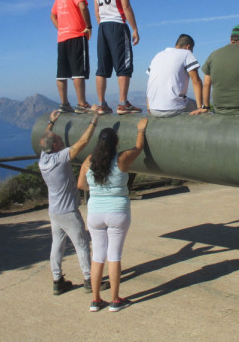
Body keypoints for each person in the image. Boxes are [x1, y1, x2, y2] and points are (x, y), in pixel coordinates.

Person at [77, 118, 148, 312]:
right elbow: (139, 148)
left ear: (99, 143)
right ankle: (115, 300)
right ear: (116, 143)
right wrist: (140, 130)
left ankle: (95, 300)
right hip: (118, 212)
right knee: (114, 256)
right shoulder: (122, 159)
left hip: (95, 214)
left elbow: (81, 185)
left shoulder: (89, 161)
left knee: (98, 256)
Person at [38, 109, 109, 295]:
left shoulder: (43, 158)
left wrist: (50, 122)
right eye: (59, 141)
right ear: (55, 146)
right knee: (82, 244)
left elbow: (44, 139)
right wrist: (94, 120)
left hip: (54, 211)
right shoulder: (60, 158)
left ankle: (57, 281)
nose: (63, 142)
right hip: (68, 212)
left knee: (57, 245)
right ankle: (89, 280)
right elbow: (83, 142)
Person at [93, 0, 142, 115]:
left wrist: (101, 24)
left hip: (103, 27)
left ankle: (101, 104)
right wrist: (134, 28)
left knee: (102, 67)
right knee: (124, 65)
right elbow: (125, 5)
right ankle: (122, 104)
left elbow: (96, 9)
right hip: (118, 25)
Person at [51, 0, 93, 114]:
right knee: (78, 71)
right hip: (76, 35)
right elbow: (82, 6)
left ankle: (64, 104)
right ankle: (81, 104)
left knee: (61, 72)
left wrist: (61, 28)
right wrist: (88, 26)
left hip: (62, 38)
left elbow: (53, 15)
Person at [146, 34, 207, 117]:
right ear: (188, 47)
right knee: (201, 108)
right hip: (173, 108)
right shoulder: (186, 53)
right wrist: (200, 107)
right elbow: (196, 81)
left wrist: (149, 105)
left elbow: (151, 81)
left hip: (153, 108)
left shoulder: (158, 55)